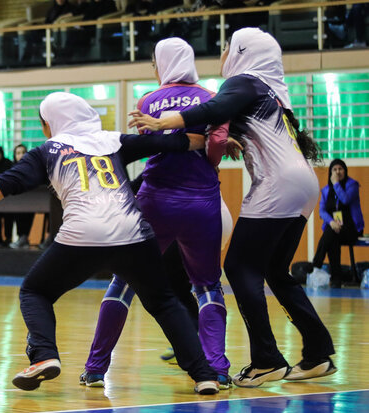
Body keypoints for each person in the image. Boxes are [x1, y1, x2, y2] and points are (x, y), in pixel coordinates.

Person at [0, 91, 221, 395]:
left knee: (35, 291)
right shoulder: (114, 140)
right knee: (164, 302)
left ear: (52, 122)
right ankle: (204, 375)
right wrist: (217, 138)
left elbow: (1, 186)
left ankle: (44, 356)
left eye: (44, 122)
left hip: (83, 235)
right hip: (131, 232)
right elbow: (179, 143)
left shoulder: (47, 151)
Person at [129, 27, 337, 388]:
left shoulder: (244, 82)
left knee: (240, 267)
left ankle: (267, 360)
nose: (224, 54)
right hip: (304, 182)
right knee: (275, 270)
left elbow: (214, 109)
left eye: (227, 47)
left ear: (243, 51)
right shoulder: (271, 90)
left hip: (278, 183)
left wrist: (167, 122)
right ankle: (318, 351)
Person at [80, 38, 232, 389]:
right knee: (208, 286)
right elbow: (216, 147)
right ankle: (217, 369)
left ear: (162, 63)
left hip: (154, 200)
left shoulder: (147, 100)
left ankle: (95, 367)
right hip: (201, 200)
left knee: (124, 281)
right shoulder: (211, 97)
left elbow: (150, 142)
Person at [312, 159, 364, 288]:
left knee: (330, 235)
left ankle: (316, 264)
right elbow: (322, 210)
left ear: (345, 171)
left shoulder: (352, 185)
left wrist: (336, 184)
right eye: (334, 169)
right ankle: (336, 280)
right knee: (332, 237)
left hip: (351, 228)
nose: (338, 172)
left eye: (340, 169)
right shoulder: (325, 190)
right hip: (334, 228)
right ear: (330, 172)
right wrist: (331, 222)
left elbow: (345, 200)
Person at [9, 144, 35, 249]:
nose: (21, 155)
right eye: (18, 153)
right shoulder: (12, 168)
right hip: (16, 199)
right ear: (15, 155)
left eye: (23, 152)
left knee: (28, 213)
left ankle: (25, 238)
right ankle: (21, 238)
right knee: (18, 214)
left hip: (31, 198)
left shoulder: (32, 167)